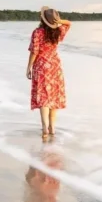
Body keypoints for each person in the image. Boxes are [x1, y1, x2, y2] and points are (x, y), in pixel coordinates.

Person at [26, 7, 71, 139]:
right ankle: (52, 128)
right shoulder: (58, 31)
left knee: (44, 97)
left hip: (41, 66)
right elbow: (68, 23)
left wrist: (29, 66)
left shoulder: (37, 32)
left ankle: (44, 126)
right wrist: (58, 21)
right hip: (55, 67)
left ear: (42, 19)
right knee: (53, 98)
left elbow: (34, 51)